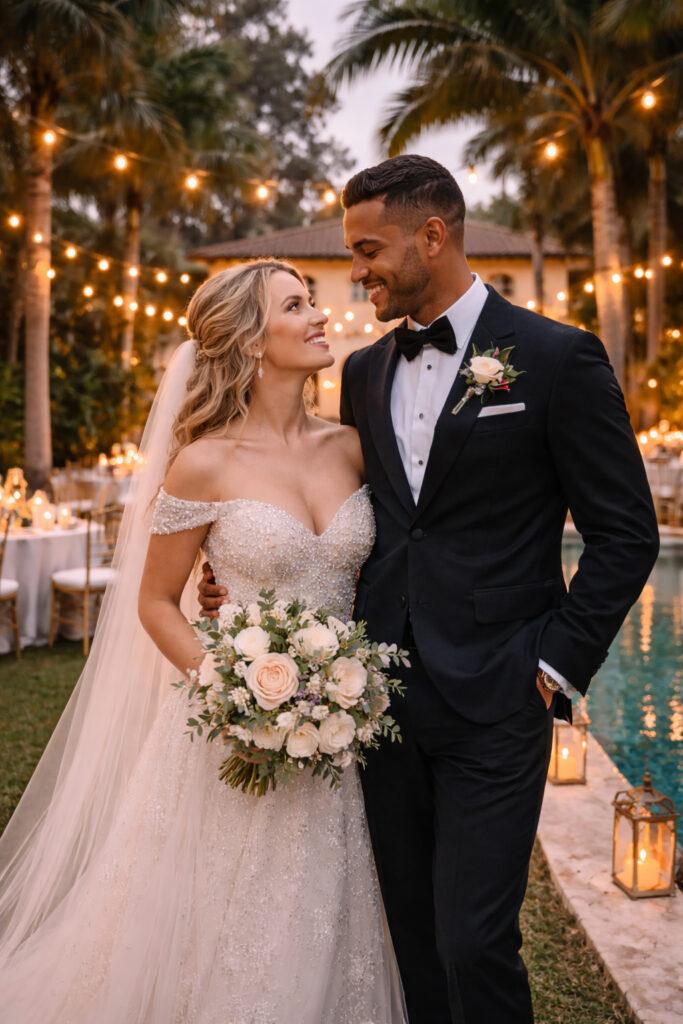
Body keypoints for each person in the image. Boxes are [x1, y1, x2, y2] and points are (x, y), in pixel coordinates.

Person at [200, 156, 660, 1024]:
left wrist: (556, 664)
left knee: (473, 941)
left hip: (499, 694)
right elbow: (366, 523)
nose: (358, 269)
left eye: (369, 249)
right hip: (372, 702)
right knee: (407, 932)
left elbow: (626, 532)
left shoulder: (558, 358)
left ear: (433, 236)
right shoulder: (364, 373)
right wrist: (246, 584)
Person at [0, 260, 406, 1023]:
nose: (322, 314)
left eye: (312, 301)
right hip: (229, 734)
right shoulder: (205, 460)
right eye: (297, 305)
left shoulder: (354, 446)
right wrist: (234, 693)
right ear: (251, 341)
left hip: (341, 728)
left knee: (322, 904)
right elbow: (155, 602)